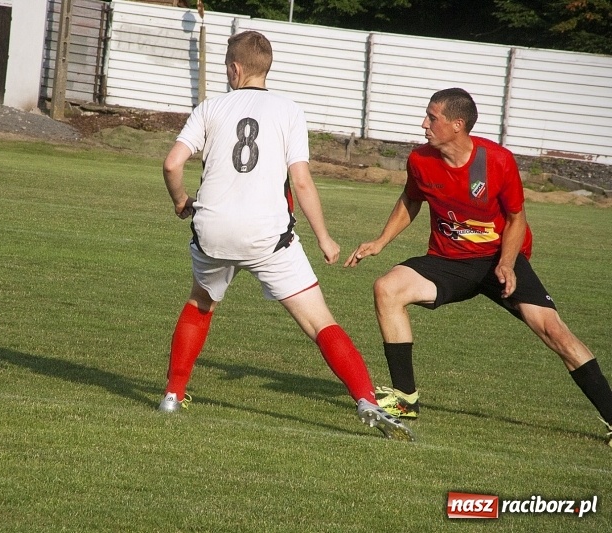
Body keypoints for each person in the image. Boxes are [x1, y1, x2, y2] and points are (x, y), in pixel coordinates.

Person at [158, 30, 414, 441]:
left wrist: (179, 201)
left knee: (200, 303)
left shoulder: (210, 107)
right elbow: (302, 182)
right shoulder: (289, 110)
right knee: (318, 322)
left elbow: (172, 164)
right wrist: (325, 238)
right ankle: (366, 400)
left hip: (214, 229)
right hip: (267, 235)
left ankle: (172, 394)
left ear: (234, 68)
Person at [345, 87, 612, 447]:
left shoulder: (498, 160)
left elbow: (517, 219)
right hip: (447, 261)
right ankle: (405, 399)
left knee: (555, 332)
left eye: (432, 117)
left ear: (457, 125)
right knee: (386, 288)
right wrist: (379, 241)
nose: (423, 124)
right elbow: (411, 199)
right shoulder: (420, 160)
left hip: (499, 261)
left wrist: (507, 263)